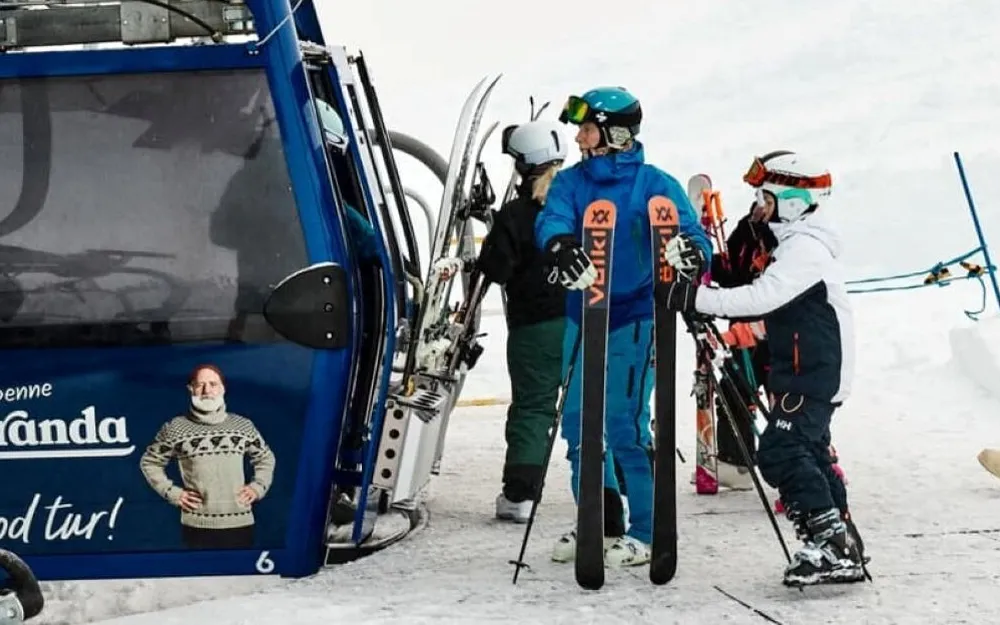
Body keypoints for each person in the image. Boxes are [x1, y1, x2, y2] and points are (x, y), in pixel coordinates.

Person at [656, 150, 866, 585]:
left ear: (789, 202)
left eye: (765, 200)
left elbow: (760, 298)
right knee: (808, 452)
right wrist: (702, 272)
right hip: (802, 366)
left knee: (781, 451)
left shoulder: (805, 249)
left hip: (814, 369)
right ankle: (841, 542)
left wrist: (693, 299)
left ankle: (832, 545)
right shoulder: (792, 243)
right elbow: (744, 280)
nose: (759, 208)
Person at [534, 86, 712, 567]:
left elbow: (691, 233)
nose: (578, 137)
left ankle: (647, 529)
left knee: (623, 424)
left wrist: (691, 252)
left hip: (634, 317)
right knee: (577, 423)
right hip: (583, 313)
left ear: (614, 133)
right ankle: (601, 520)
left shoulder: (654, 183)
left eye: (586, 128)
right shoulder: (571, 183)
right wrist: (559, 247)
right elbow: (552, 219)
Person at [475, 121, 569, 523]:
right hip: (590, 322)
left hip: (535, 327)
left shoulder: (516, 214)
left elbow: (495, 268)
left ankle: (521, 495)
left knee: (534, 408)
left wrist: (491, 227)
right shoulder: (582, 203)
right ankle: (620, 488)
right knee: (600, 404)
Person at [140, 364, 276, 549]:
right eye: (200, 384)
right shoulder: (175, 428)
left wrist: (258, 487)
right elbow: (150, 462)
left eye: (213, 384)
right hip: (196, 526)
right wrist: (173, 493)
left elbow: (265, 458)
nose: (207, 391)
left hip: (240, 523)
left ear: (223, 388)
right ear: (191, 389)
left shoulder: (242, 426)